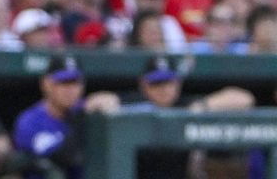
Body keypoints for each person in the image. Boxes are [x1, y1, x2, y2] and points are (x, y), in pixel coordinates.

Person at [121, 55, 255, 179]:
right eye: (157, 83)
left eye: (168, 82)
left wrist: (202, 105)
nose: (164, 89)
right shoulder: (134, 104)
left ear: (178, 83)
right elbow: (104, 100)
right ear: (144, 85)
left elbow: (245, 98)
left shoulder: (186, 105)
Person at [13, 55, 120, 179]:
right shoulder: (30, 121)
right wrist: (83, 117)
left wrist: (111, 100)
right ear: (46, 84)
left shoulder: (86, 109)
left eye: (75, 83)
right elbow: (60, 157)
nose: (70, 89)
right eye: (63, 83)